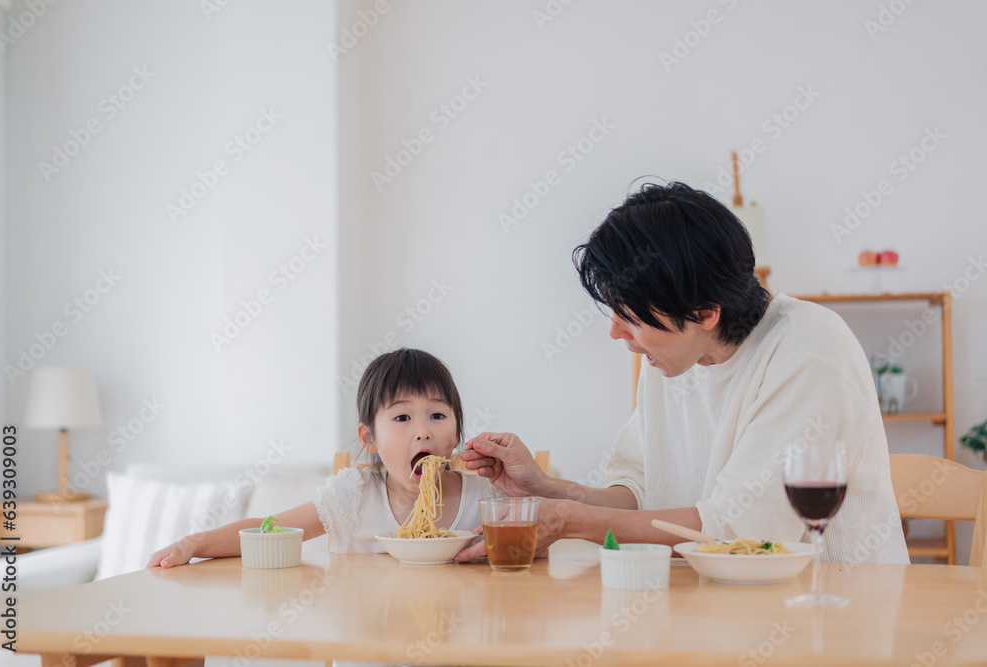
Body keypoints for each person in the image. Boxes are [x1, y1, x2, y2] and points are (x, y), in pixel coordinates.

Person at [456, 181, 909, 565]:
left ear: (705, 313)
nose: (616, 334)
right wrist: (547, 489)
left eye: (630, 318)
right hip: (722, 611)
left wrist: (567, 520)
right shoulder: (672, 361)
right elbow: (640, 493)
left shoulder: (807, 349)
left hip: (835, 619)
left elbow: (738, 533)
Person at [148, 348, 502, 567]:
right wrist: (193, 543)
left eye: (437, 416)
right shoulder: (353, 497)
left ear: (457, 435)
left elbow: (537, 553)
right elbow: (270, 529)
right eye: (402, 417)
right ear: (370, 438)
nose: (423, 431)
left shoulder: (486, 495)